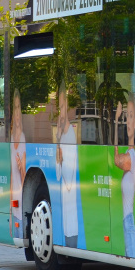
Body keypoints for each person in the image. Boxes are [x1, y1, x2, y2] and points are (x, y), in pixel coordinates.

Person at [114, 97, 135, 258]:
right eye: (126, 117)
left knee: (132, 255)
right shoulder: (131, 153)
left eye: (131, 116)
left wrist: (116, 120)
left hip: (129, 221)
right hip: (127, 221)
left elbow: (116, 159)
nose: (127, 122)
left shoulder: (131, 156)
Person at [55, 86, 80, 248]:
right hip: (65, 199)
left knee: (70, 229)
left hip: (69, 200)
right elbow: (58, 175)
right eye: (59, 107)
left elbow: (68, 179)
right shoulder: (62, 135)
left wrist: (61, 159)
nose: (60, 112)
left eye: (63, 107)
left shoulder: (70, 134)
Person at [10, 91, 25, 240]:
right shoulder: (10, 138)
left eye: (19, 108)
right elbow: (10, 176)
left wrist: (21, 168)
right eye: (15, 109)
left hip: (21, 201)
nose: (17, 113)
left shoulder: (23, 139)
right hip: (13, 200)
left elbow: (25, 179)